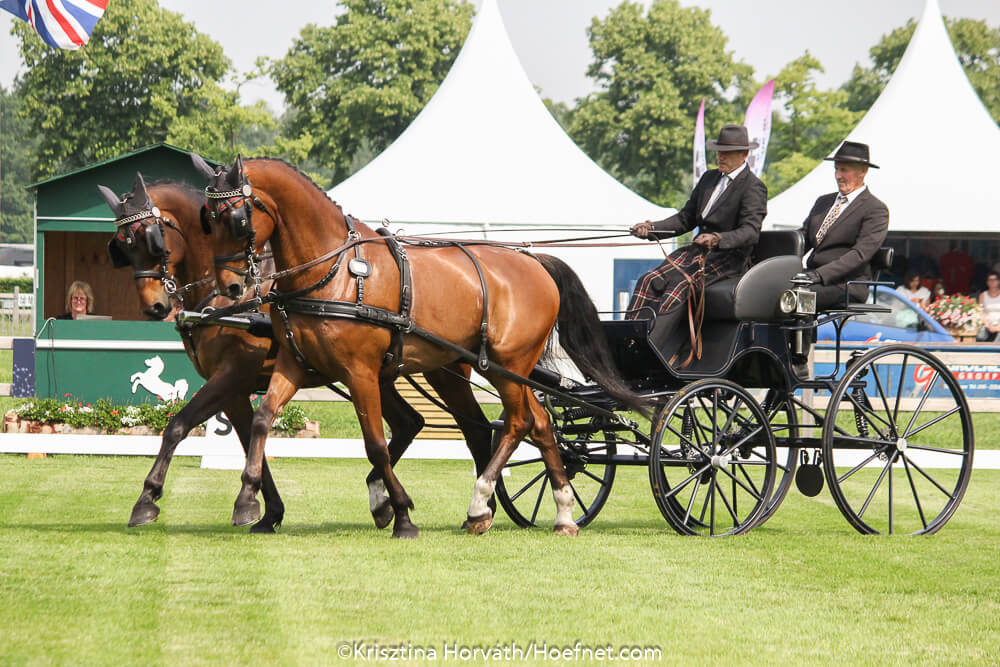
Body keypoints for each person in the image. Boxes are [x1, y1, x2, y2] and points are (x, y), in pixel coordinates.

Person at [628, 124, 766, 353]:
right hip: (697, 252)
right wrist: (652, 228)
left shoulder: (753, 187)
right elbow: (685, 219)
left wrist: (717, 238)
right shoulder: (709, 179)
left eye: (727, 152)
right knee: (648, 279)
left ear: (744, 155)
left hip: (728, 258)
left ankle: (650, 352)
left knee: (678, 286)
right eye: (719, 151)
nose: (720, 156)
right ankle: (629, 342)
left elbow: (751, 232)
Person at [798, 141, 889, 310]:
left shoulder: (875, 209)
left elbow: (860, 254)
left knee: (794, 297)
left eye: (844, 170)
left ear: (863, 171)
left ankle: (800, 337)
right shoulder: (823, 202)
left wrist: (819, 275)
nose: (838, 175)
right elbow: (801, 239)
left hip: (846, 284)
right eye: (836, 169)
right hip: (811, 278)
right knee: (770, 288)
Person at [978, 271, 1000, 341]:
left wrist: (997, 327)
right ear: (987, 282)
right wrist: (987, 325)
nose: (992, 282)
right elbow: (980, 312)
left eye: (994, 280)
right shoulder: (982, 295)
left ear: (998, 281)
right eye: (990, 280)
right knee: (980, 335)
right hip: (987, 322)